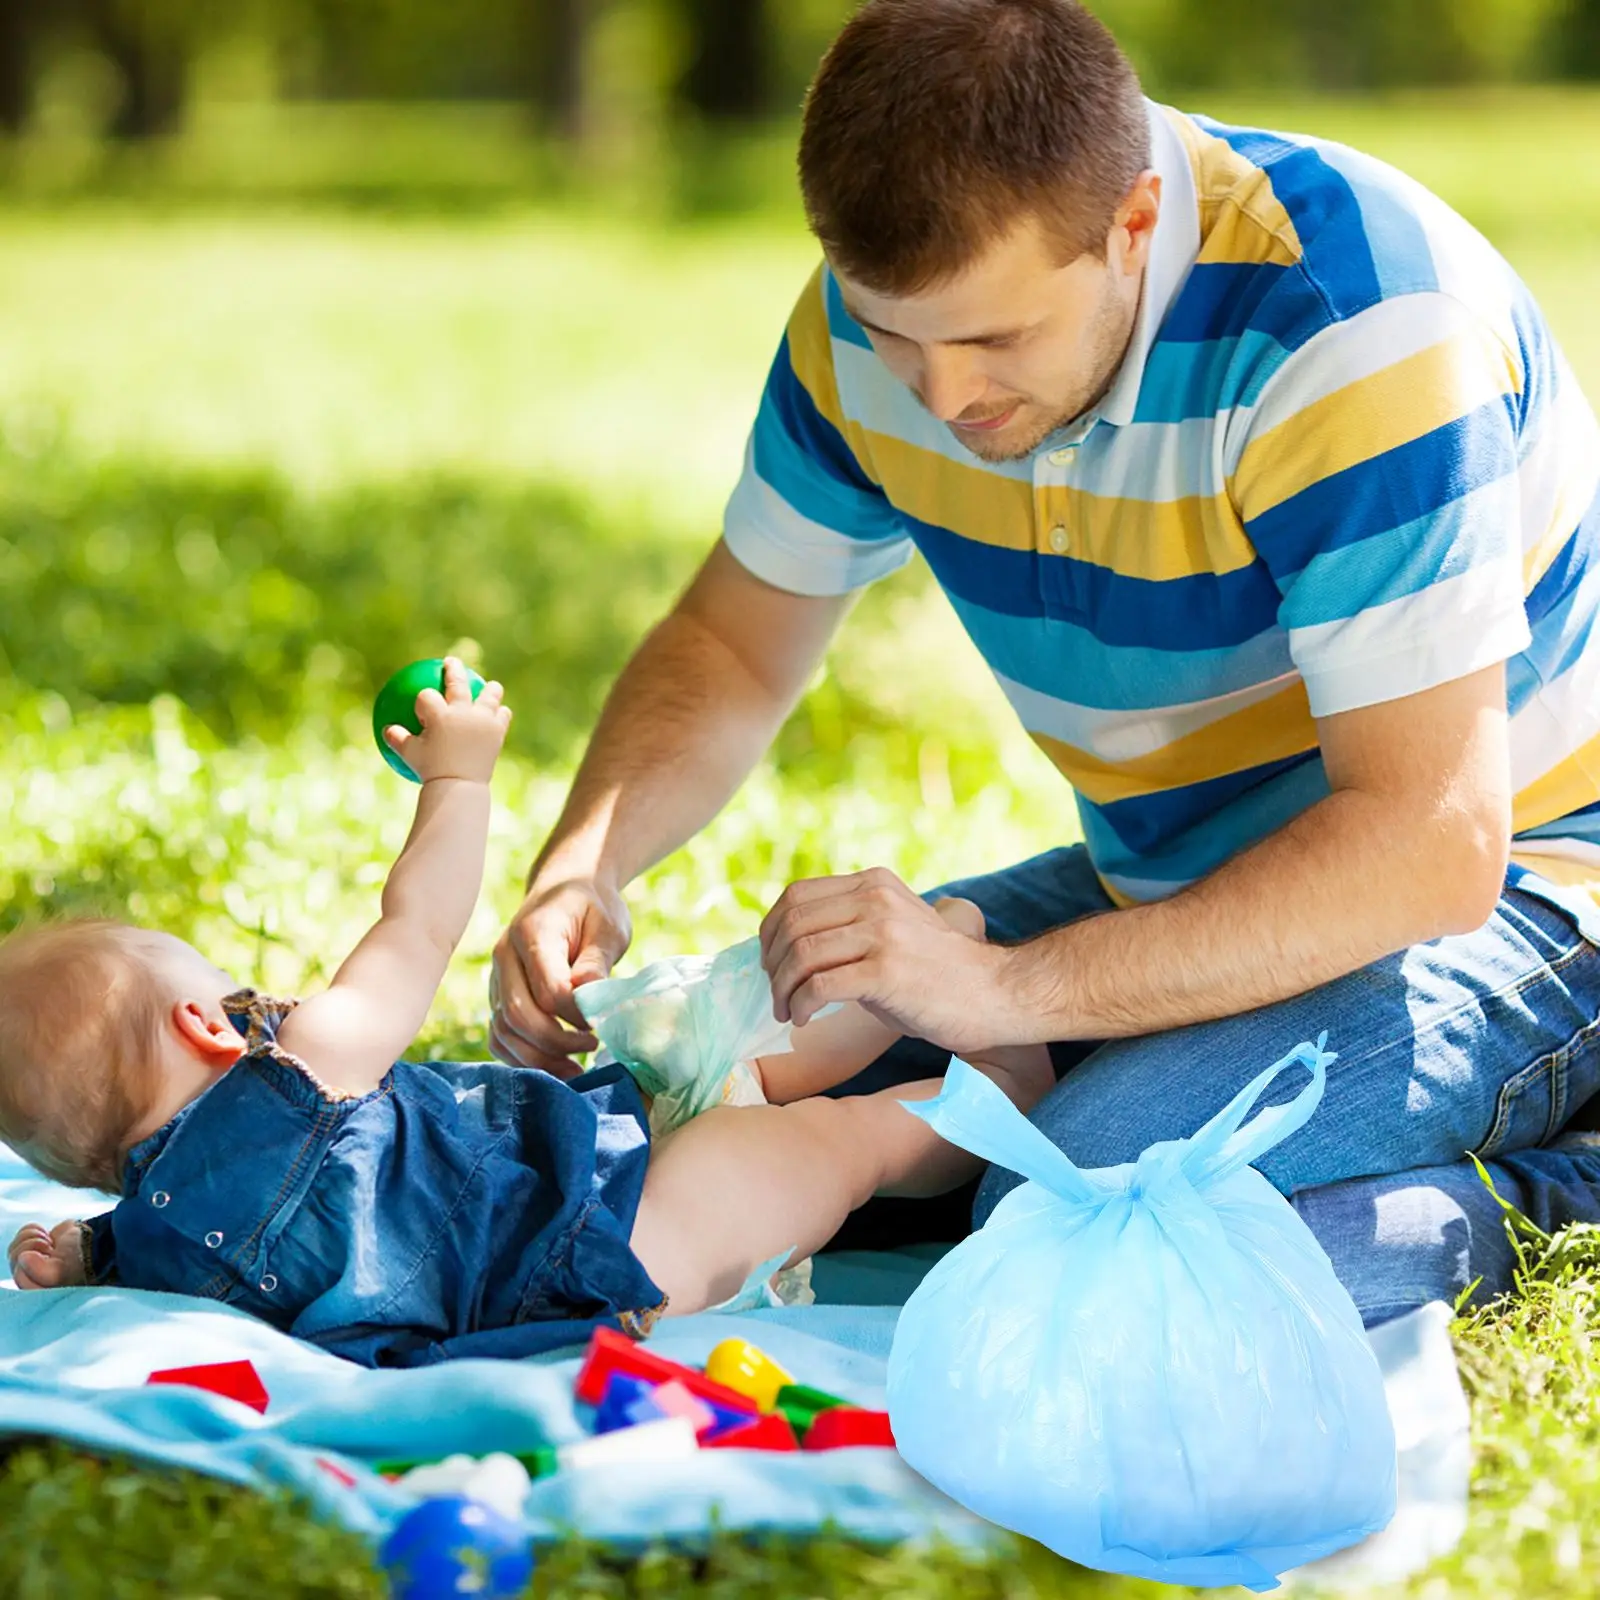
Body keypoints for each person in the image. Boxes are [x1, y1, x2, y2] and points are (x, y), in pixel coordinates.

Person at [487, 0, 1600, 1324]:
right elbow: (733, 642)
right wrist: (585, 862)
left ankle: (1561, 1191)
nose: (944, 398)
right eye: (897, 337)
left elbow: (1431, 844)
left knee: (1063, 1208)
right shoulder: (874, 333)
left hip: (1522, 897)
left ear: (1131, 224)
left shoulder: (1349, 323)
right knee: (704, 1083)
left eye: (995, 342)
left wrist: (1004, 989)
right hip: (1177, 885)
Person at [0, 661, 1050, 1363]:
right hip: (618, 1253)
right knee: (820, 1136)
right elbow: (416, 926)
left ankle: (936, 1007)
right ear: (206, 1025)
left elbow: (168, 1247)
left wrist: (89, 1253)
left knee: (755, 1093)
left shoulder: (153, 1241)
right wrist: (456, 778)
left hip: (597, 1177)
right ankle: (1001, 1090)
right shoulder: (300, 1071)